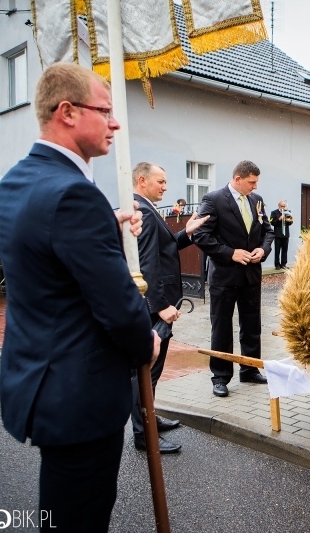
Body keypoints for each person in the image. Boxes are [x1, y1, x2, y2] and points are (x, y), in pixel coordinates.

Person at [0, 62, 160, 533]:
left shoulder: (14, 183)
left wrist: (106, 223)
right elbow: (117, 305)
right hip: (79, 393)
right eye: (104, 110)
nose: (115, 122)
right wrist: (144, 340)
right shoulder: (74, 195)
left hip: (39, 381)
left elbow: (44, 252)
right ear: (67, 112)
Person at [130, 162, 208, 454]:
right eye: (160, 181)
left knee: (153, 369)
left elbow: (165, 248)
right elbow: (148, 264)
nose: (165, 186)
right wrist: (161, 305)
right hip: (153, 307)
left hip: (156, 305)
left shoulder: (147, 209)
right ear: (142, 180)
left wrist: (186, 232)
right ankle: (143, 434)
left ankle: (150, 419)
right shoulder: (144, 212)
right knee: (145, 372)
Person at [193, 160, 274, 398]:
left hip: (251, 275)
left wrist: (263, 250)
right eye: (251, 182)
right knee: (221, 327)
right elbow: (201, 235)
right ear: (237, 179)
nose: (255, 186)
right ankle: (220, 377)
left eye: (256, 182)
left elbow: (268, 230)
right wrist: (231, 253)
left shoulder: (256, 200)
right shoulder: (214, 199)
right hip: (224, 276)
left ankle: (249, 369)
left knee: (252, 326)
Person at [269, 200, 293, 269]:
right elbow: (272, 223)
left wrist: (288, 220)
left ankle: (284, 264)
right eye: (282, 206)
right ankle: (277, 264)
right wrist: (279, 219)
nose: (283, 207)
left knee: (285, 250)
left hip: (286, 234)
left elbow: (290, 223)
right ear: (279, 206)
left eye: (284, 206)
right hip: (278, 234)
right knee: (277, 250)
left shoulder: (288, 212)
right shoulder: (274, 212)